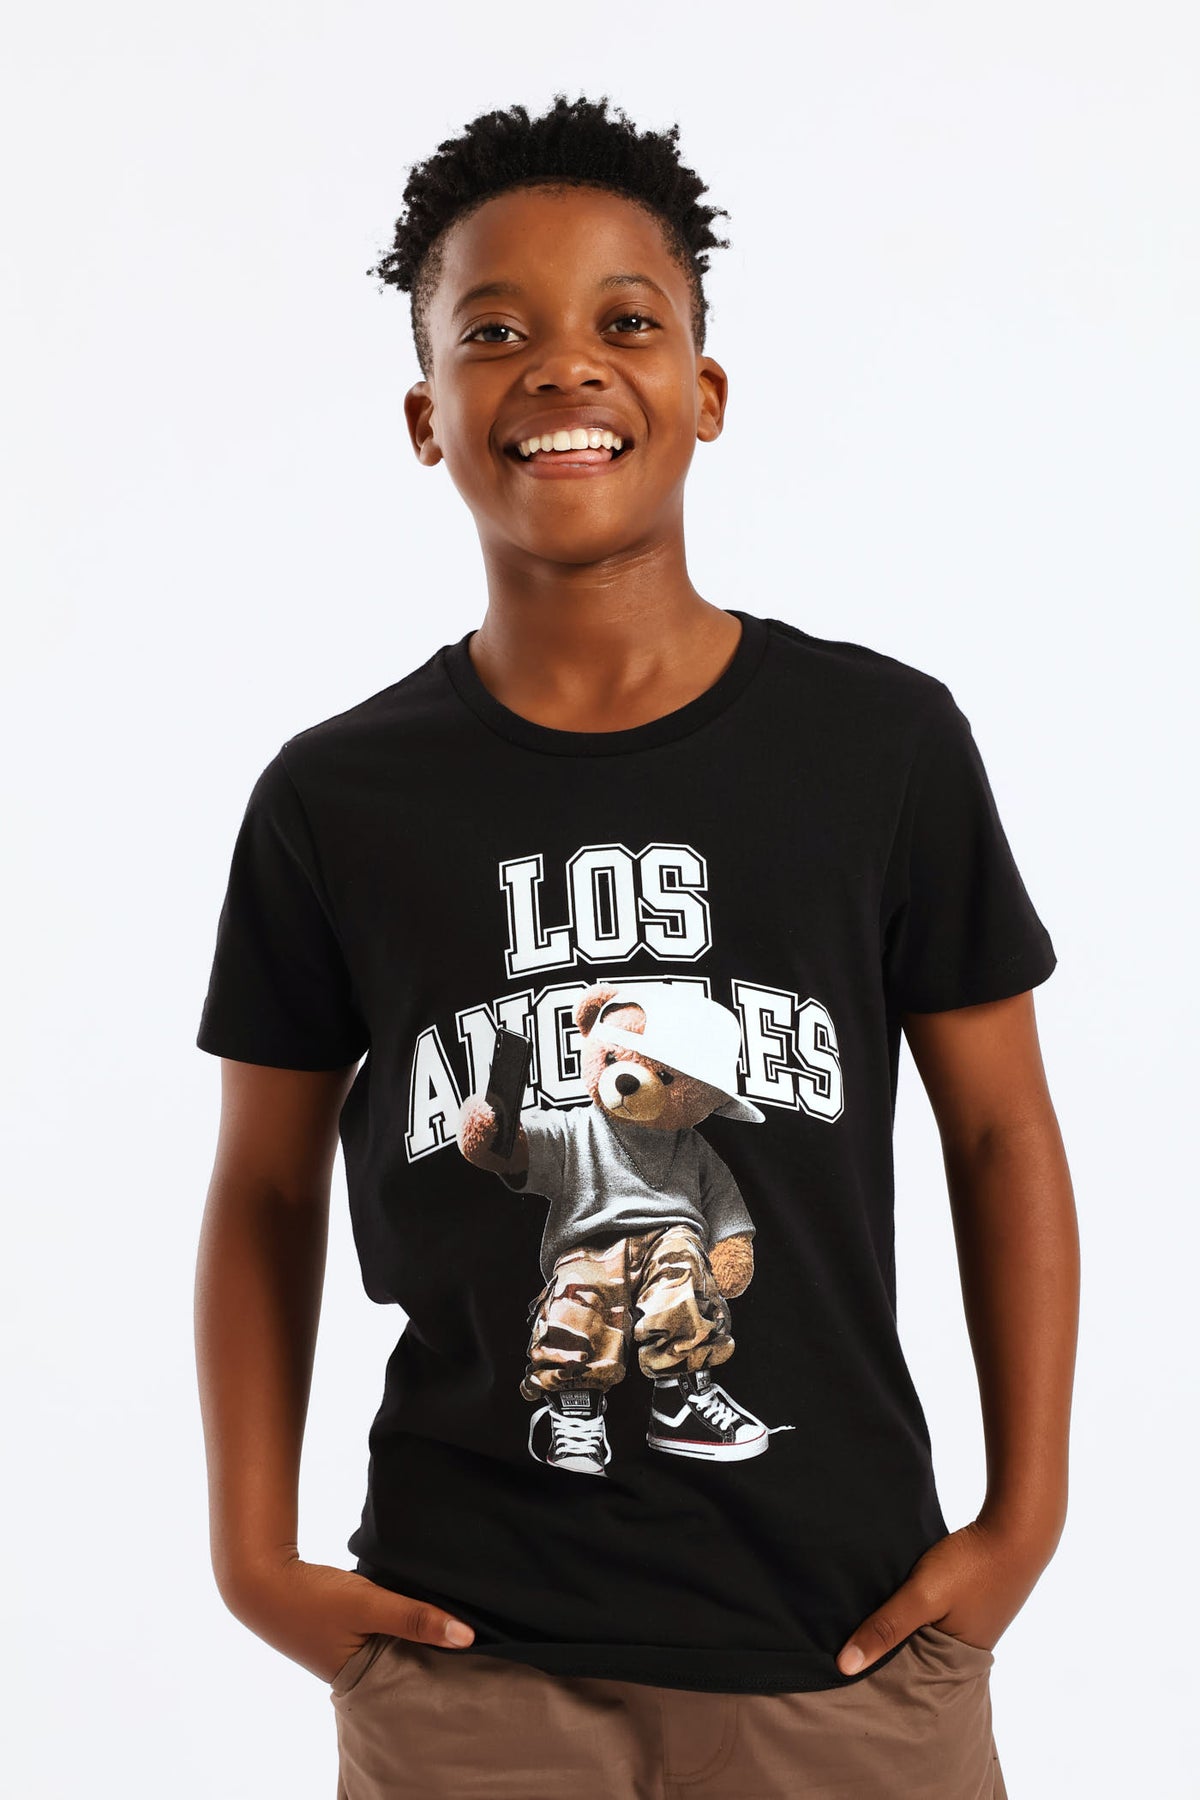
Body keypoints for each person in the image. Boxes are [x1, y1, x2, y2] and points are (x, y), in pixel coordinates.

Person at [194, 92, 1080, 1799]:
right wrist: (250, 1556)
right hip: (465, 1663)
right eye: (494, 333)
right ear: (426, 416)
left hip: (846, 1645)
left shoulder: (879, 747)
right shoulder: (336, 796)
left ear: (705, 389)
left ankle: (682, 1389)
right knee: (579, 1329)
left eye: (626, 322)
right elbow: (262, 1182)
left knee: (673, 1298)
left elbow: (1001, 1131)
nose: (563, 367)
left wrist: (1024, 1518)